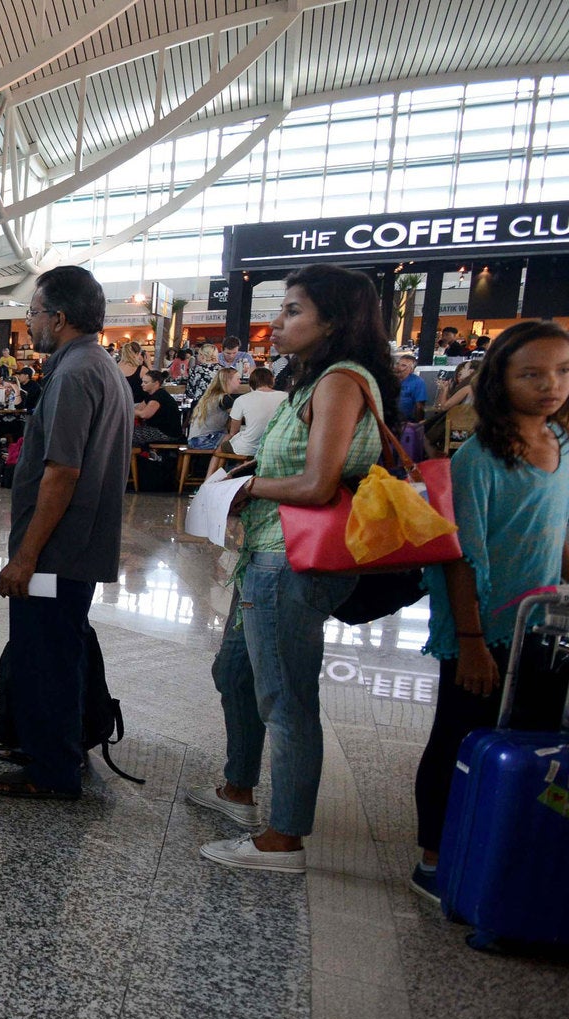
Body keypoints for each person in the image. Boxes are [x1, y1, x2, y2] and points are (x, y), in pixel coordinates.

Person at [186, 264, 397, 872]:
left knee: (284, 694)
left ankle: (283, 839)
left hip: (291, 557)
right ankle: (237, 789)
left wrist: (248, 488)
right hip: (267, 554)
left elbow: (316, 482)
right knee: (235, 671)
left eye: (294, 310)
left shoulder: (339, 382)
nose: (277, 322)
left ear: (334, 321)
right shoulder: (308, 383)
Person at [407, 321, 569, 900]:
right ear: (500, 379)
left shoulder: (562, 445)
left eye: (563, 371)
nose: (550, 385)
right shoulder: (479, 456)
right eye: (532, 373)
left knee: (531, 740)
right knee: (458, 735)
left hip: (541, 628)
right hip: (482, 627)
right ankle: (433, 857)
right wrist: (471, 639)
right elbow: (460, 554)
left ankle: (502, 846)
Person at [0, 266, 132, 800]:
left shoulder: (74, 374)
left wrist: (25, 558)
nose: (29, 324)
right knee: (52, 647)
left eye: (33, 313)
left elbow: (62, 472)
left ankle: (53, 771)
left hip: (56, 552)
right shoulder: (99, 364)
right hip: (73, 546)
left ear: (60, 317)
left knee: (47, 654)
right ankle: (48, 744)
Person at [217, 367, 285, 465]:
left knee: (221, 449)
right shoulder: (286, 397)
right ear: (272, 380)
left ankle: (213, 478)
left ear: (251, 383)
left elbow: (233, 432)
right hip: (277, 446)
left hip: (248, 448)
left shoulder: (241, 400)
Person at [186, 367, 239, 450]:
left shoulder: (212, 396)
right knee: (241, 441)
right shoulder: (224, 398)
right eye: (237, 379)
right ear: (228, 381)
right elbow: (237, 417)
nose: (240, 381)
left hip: (194, 439)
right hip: (206, 439)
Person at [132, 369, 185, 447]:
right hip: (160, 430)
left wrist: (129, 411)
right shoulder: (151, 395)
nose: (142, 384)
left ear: (156, 383)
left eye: (146, 382)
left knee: (128, 434)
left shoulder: (159, 396)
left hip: (166, 433)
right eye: (142, 382)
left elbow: (144, 414)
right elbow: (139, 408)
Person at [395, 352, 431, 421]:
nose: (398, 367)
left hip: (407, 422)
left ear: (411, 370)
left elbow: (420, 407)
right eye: (397, 364)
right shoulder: (390, 379)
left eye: (403, 365)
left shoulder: (418, 382)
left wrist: (418, 426)